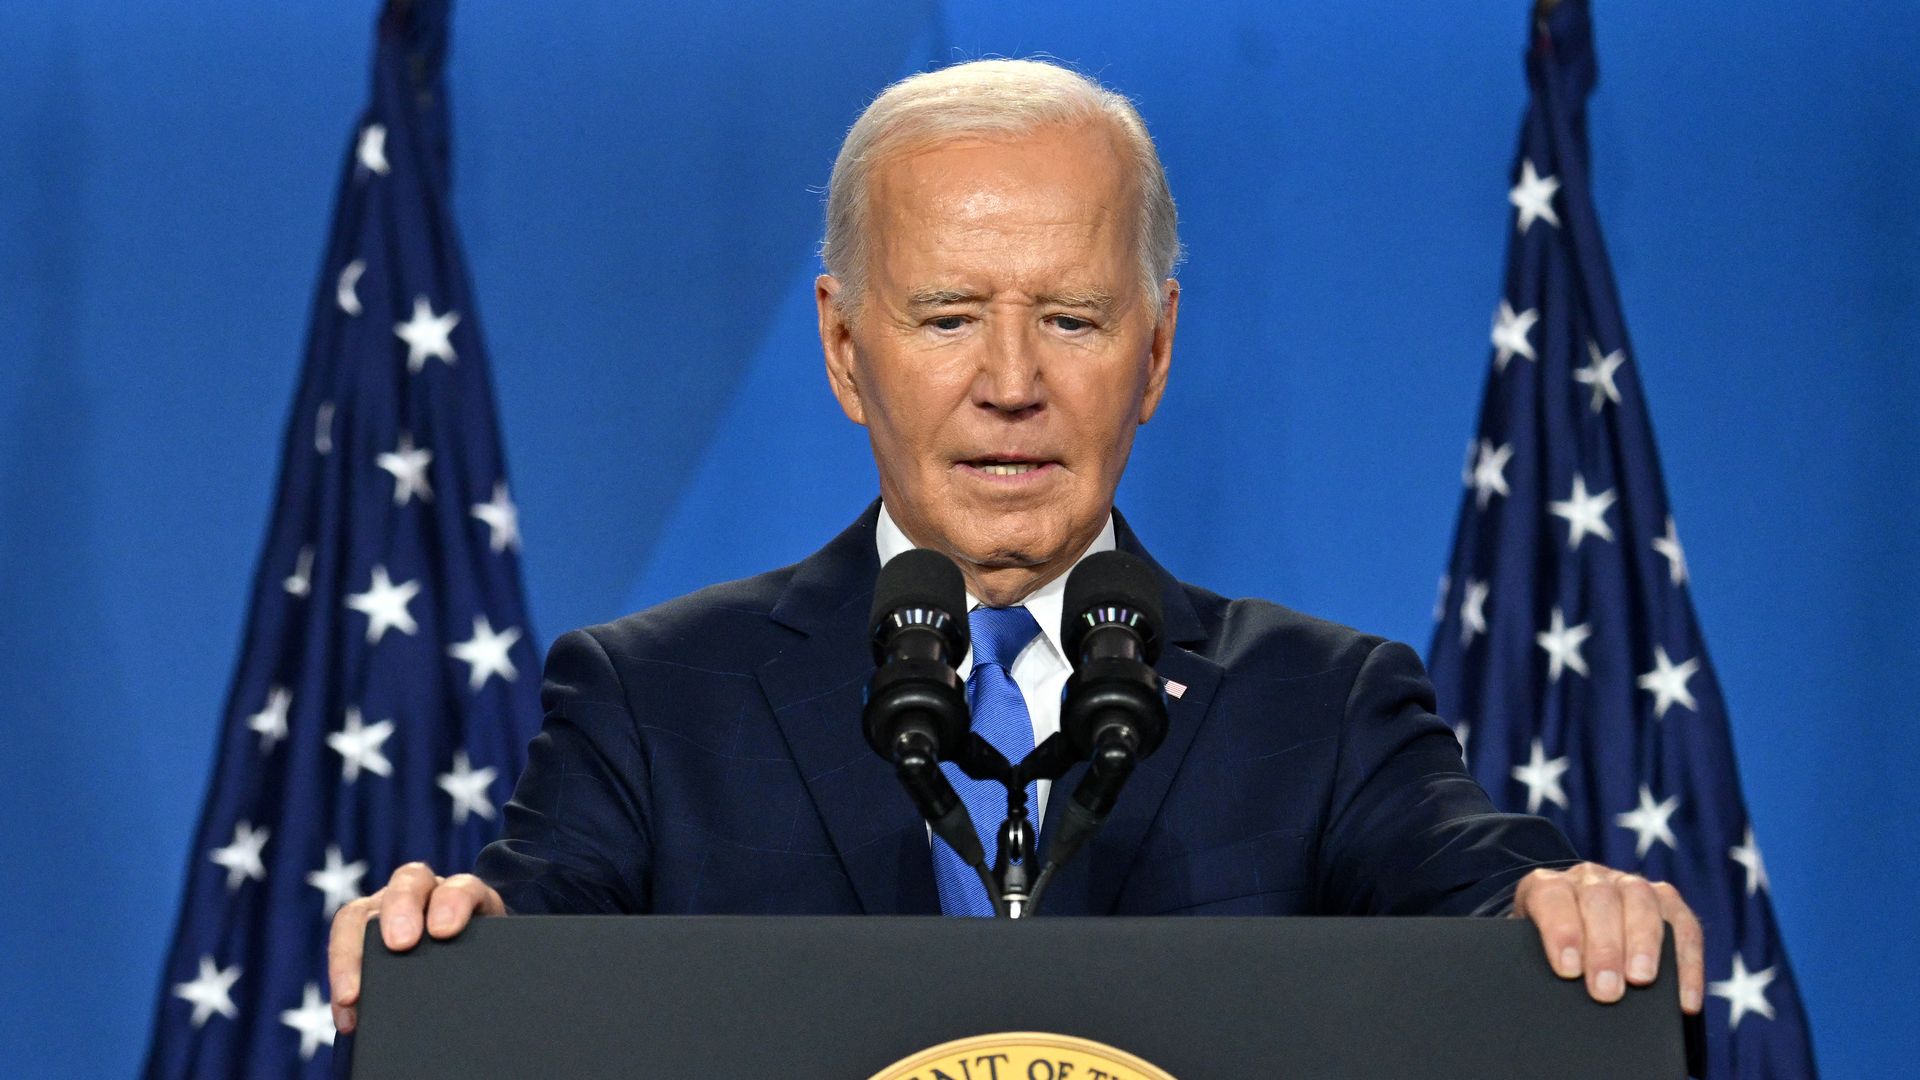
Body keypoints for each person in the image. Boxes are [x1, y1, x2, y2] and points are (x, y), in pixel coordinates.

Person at [329, 58, 1704, 1034]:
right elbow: (527, 957)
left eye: (1073, 316)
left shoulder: (1323, 708)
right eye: (944, 317)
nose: (1010, 382)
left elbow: (1474, 894)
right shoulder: (653, 701)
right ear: (843, 346)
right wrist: (460, 947)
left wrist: (1560, 904)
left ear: (1155, 350)